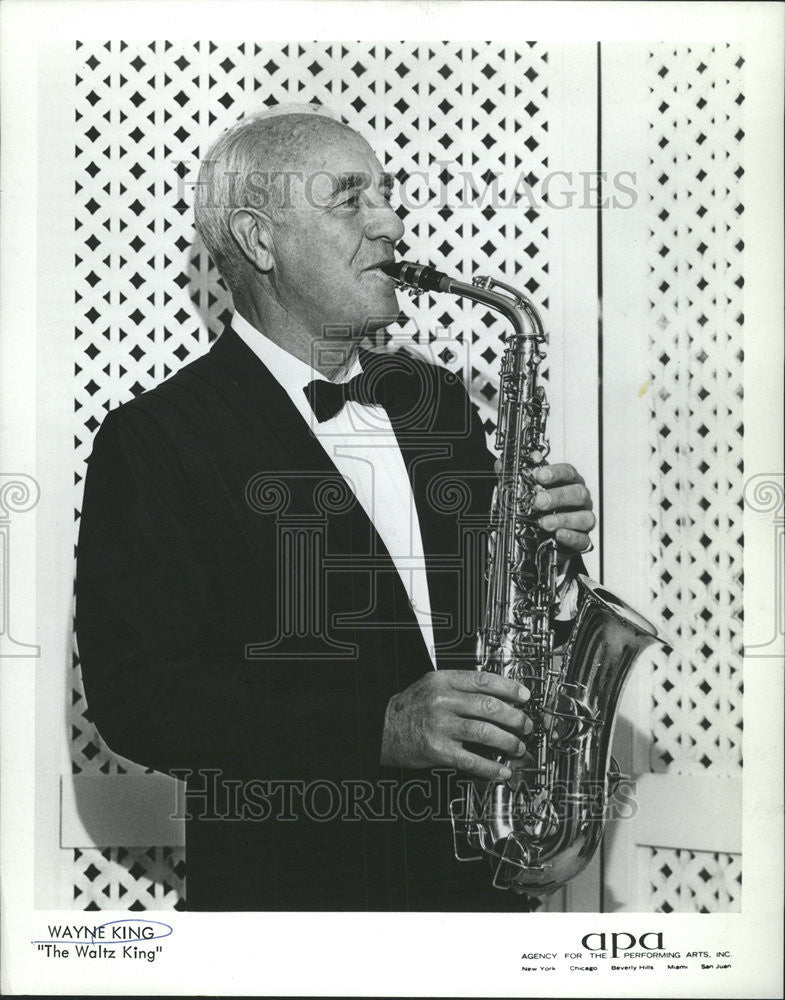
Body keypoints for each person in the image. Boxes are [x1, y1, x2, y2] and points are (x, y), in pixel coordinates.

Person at [75, 105, 596, 911]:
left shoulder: (434, 400)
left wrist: (549, 558)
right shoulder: (156, 439)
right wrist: (378, 728)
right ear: (258, 240)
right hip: (297, 896)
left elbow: (497, 620)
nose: (389, 222)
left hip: (481, 886)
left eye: (387, 194)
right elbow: (141, 700)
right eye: (351, 199)